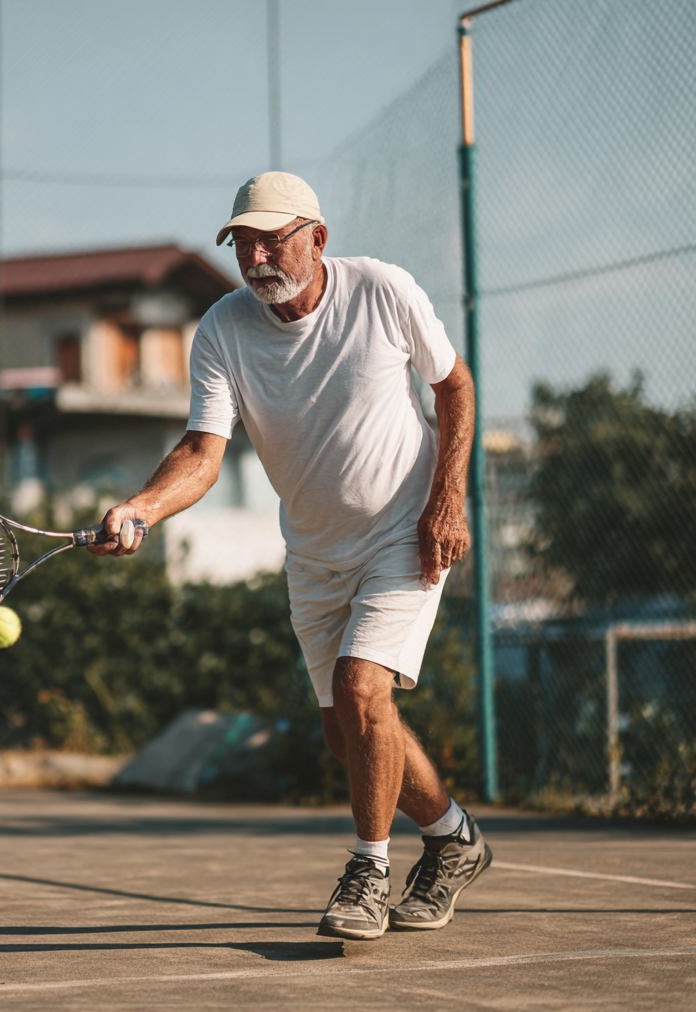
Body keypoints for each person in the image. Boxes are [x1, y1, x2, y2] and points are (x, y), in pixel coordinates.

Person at [89, 171, 492, 941]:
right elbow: (202, 453)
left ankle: (367, 875)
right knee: (349, 733)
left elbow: (454, 387)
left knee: (363, 690)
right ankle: (453, 838)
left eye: (272, 240)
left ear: (318, 238)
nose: (256, 258)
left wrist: (448, 500)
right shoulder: (223, 329)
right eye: (243, 243)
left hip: (403, 532)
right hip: (313, 551)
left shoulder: (381, 290)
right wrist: (142, 506)